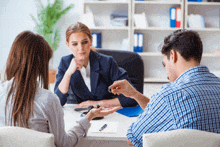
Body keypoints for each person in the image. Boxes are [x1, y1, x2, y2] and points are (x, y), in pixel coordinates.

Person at [0, 31, 121, 147]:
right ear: (42, 65)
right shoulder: (47, 99)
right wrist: (88, 117)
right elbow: (64, 143)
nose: (80, 48)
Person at [109, 29, 220, 147]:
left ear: (173, 55)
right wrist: (134, 94)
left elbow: (133, 138)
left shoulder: (170, 95)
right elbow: (165, 112)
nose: (167, 76)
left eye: (164, 65)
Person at [54, 22, 137, 108]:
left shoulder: (107, 62)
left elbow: (132, 97)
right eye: (75, 44)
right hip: (79, 114)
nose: (81, 48)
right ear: (68, 45)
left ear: (90, 41)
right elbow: (57, 102)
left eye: (84, 42)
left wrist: (98, 104)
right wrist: (67, 74)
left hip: (108, 114)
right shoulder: (65, 62)